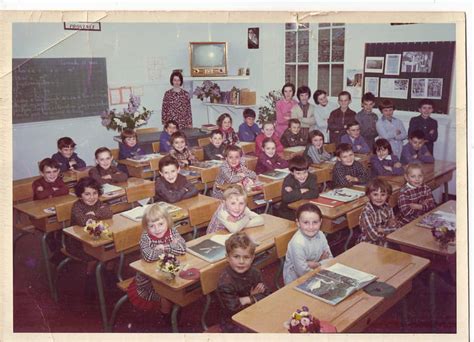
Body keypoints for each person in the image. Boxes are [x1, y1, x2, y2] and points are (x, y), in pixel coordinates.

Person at [127, 203, 186, 314]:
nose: (157, 229)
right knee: (166, 295)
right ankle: (167, 318)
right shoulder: (146, 237)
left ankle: (174, 313)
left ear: (167, 222)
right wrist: (171, 247)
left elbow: (182, 248)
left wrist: (163, 247)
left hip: (169, 274)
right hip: (149, 281)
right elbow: (149, 256)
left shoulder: (172, 231)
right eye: (152, 226)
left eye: (160, 224)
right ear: (146, 226)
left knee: (178, 291)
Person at [216, 231, 270, 332]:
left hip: (253, 311)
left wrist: (246, 299)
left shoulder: (255, 272)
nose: (241, 262)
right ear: (227, 257)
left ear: (252, 258)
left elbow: (267, 293)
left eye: (246, 257)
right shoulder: (225, 282)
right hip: (232, 320)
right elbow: (233, 308)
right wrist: (252, 297)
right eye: (236, 257)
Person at [66, 177, 113, 275]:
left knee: (112, 249)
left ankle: (108, 273)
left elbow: (108, 212)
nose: (92, 197)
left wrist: (93, 214)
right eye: (87, 194)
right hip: (77, 242)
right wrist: (96, 214)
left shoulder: (99, 202)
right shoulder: (77, 206)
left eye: (95, 193)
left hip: (95, 237)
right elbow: (83, 221)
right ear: (80, 195)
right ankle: (90, 276)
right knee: (99, 254)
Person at [283, 203, 333, 285]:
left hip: (317, 273)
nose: (311, 227)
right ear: (298, 223)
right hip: (296, 281)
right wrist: (320, 262)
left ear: (321, 222)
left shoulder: (321, 235)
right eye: (306, 222)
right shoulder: (297, 243)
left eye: (315, 222)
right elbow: (302, 272)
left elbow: (330, 259)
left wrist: (315, 264)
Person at [358, 178, 401, 246]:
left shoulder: (388, 207)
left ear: (387, 195)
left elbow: (396, 227)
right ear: (369, 195)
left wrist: (381, 230)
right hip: (368, 245)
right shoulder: (367, 213)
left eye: (383, 194)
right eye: (375, 194)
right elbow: (373, 236)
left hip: (385, 242)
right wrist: (388, 229)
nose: (379, 198)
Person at [279, 155, 319, 220]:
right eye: (298, 173)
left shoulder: (312, 177)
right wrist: (301, 191)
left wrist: (294, 193)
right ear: (292, 173)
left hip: (305, 208)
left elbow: (315, 193)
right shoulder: (288, 179)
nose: (302, 176)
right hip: (288, 212)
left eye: (305, 172)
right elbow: (285, 198)